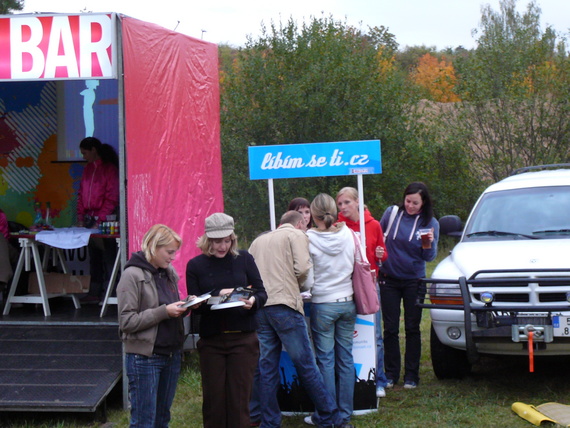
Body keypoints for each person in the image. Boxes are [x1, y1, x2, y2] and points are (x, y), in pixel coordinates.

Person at [249, 211, 348, 428]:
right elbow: (303, 269)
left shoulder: (258, 241)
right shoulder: (297, 236)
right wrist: (301, 287)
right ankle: (331, 418)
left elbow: (250, 273)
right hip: (285, 306)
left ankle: (270, 422)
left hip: (261, 308)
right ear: (301, 223)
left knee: (267, 367)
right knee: (306, 365)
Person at [186, 213, 267, 428]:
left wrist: (253, 302)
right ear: (207, 239)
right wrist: (215, 295)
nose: (222, 246)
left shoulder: (244, 259)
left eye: (226, 240)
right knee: (214, 402)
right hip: (212, 340)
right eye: (216, 241)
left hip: (243, 339)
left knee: (239, 401)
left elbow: (261, 293)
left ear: (233, 238)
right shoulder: (195, 265)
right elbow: (196, 306)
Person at [117, 224, 191, 428]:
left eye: (174, 252)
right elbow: (126, 321)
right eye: (169, 252)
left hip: (171, 355)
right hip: (145, 359)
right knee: (144, 421)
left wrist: (186, 305)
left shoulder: (168, 273)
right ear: (153, 247)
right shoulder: (131, 275)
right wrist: (163, 312)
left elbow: (168, 309)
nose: (172, 257)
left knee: (162, 419)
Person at [379, 182, 439, 389]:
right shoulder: (392, 214)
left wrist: (428, 243)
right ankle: (391, 373)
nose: (411, 206)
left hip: (415, 280)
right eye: (408, 201)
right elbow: (378, 238)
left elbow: (429, 257)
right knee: (391, 328)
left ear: (424, 203)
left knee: (413, 328)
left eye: (415, 203)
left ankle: (412, 375)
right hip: (388, 278)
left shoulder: (430, 222)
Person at [304, 194, 356, 426]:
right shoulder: (349, 233)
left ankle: (327, 414)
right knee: (345, 359)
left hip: (323, 303)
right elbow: (359, 264)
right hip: (347, 301)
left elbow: (306, 279)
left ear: (313, 215)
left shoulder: (308, 238)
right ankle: (344, 415)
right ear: (335, 212)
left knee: (325, 361)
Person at [336, 187, 389, 398]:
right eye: (340, 204)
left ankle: (379, 380)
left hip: (368, 283)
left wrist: (380, 254)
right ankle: (351, 378)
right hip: (344, 284)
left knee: (374, 332)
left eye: (347, 202)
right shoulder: (337, 226)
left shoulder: (373, 225)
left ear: (358, 202)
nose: (343, 207)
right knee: (348, 333)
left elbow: (382, 254)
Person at [77, 137, 120, 303]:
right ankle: (94, 293)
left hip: (107, 220)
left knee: (110, 258)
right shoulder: (87, 169)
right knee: (94, 257)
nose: (83, 156)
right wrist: (81, 217)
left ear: (94, 150)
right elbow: (81, 194)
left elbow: (112, 198)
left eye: (85, 153)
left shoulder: (110, 170)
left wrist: (100, 220)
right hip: (89, 220)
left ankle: (113, 293)